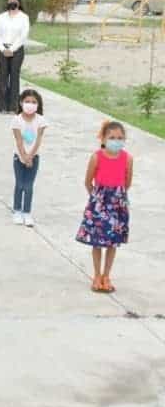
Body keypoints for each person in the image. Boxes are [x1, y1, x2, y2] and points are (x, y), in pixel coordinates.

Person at [76, 121, 133, 294]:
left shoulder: (127, 158)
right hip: (99, 205)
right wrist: (97, 199)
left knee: (112, 243)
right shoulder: (96, 157)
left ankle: (106, 275)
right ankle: (96, 275)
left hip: (117, 205)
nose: (116, 141)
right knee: (97, 242)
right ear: (104, 138)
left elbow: (127, 182)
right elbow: (88, 181)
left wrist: (118, 199)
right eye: (112, 137)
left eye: (120, 138)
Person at [11, 89, 47, 227]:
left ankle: (27, 212)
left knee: (29, 186)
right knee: (19, 184)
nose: (30, 104)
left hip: (34, 157)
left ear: (38, 104)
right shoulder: (16, 120)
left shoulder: (41, 121)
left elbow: (38, 140)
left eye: (33, 102)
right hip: (18, 157)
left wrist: (30, 156)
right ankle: (17, 211)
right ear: (21, 103)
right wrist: (24, 157)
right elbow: (19, 140)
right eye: (27, 101)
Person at [0, 0, 30, 114]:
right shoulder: (1, 17)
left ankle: (13, 106)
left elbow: (23, 36)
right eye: (9, 0)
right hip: (2, 50)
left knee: (14, 78)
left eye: (14, 0)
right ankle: (3, 106)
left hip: (17, 50)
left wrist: (12, 49)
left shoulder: (24, 17)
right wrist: (3, 48)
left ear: (19, 3)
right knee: (3, 77)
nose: (12, 2)